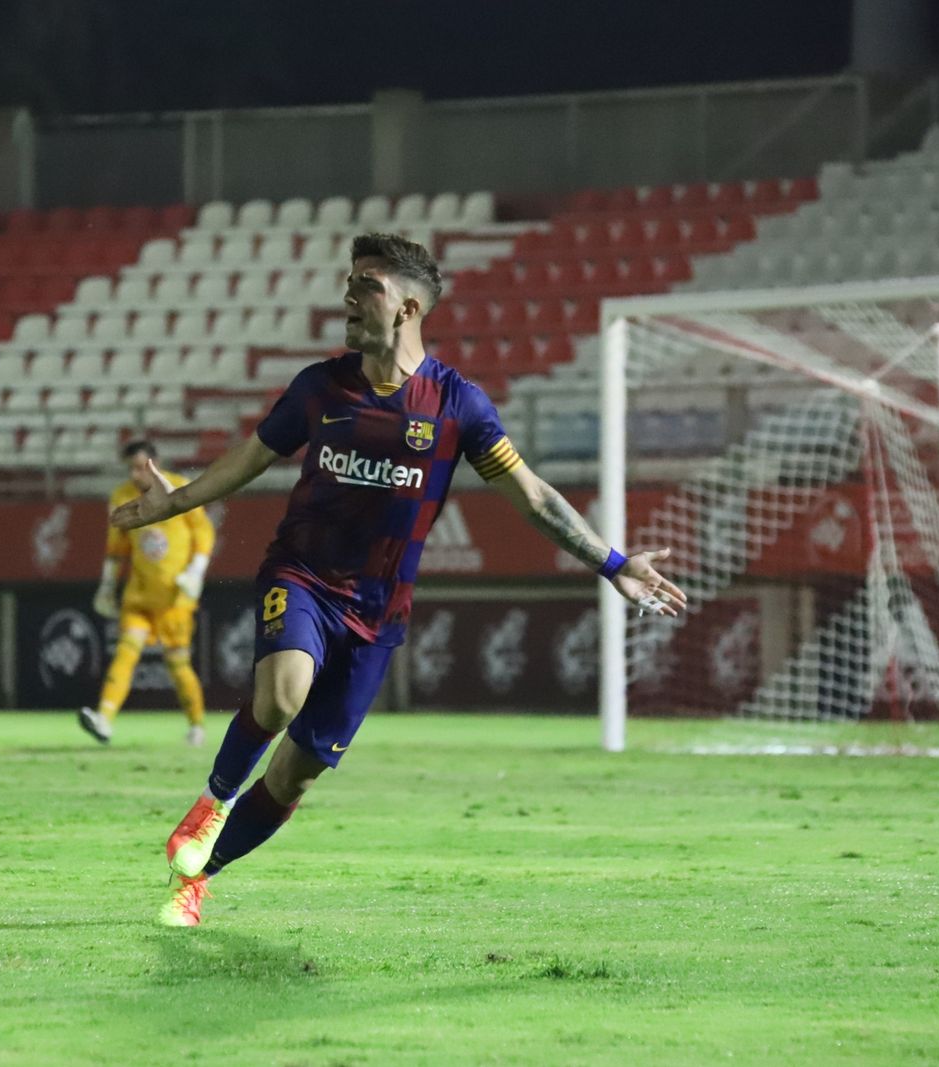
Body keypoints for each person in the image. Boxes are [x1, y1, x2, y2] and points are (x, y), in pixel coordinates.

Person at [109, 233, 686, 926]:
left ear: (408, 308)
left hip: (378, 614)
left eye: (367, 286)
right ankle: (213, 801)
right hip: (302, 575)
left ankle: (197, 880)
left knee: (295, 774)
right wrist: (173, 502)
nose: (349, 296)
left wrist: (614, 564)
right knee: (282, 694)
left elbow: (533, 496)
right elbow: (250, 458)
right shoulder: (320, 387)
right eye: (349, 283)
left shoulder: (457, 405)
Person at [78, 439, 214, 746]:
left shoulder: (180, 488)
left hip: (175, 596)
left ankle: (197, 725)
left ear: (155, 464)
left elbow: (204, 533)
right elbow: (117, 547)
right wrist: (107, 586)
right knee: (126, 652)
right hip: (139, 594)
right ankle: (103, 719)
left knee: (178, 664)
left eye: (140, 468)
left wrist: (196, 572)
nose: (135, 474)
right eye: (131, 469)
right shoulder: (122, 496)